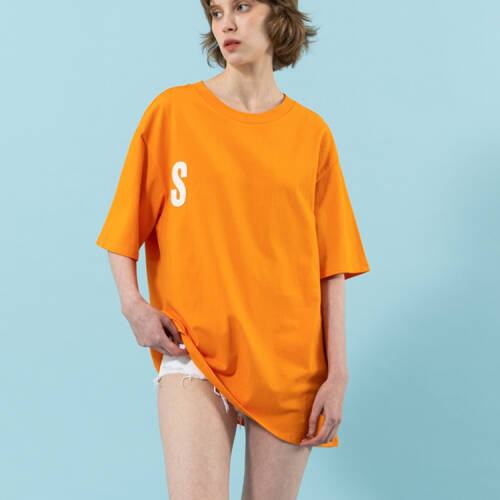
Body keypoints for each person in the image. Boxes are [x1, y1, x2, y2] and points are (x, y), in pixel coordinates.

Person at [96, 0, 370, 498]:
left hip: (290, 363)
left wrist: (338, 375)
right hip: (194, 348)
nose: (226, 23)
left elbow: (332, 265)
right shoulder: (172, 113)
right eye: (216, 12)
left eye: (241, 6)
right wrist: (132, 305)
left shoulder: (311, 134)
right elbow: (123, 227)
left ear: (278, 15)